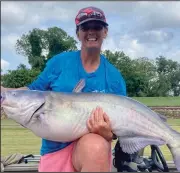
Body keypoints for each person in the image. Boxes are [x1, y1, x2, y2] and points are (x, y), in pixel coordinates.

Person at [1, 6, 127, 172]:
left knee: (96, 146)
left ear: (105, 32)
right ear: (77, 33)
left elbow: (122, 129)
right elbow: (33, 91)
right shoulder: (58, 63)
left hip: (94, 156)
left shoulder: (114, 78)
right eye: (85, 27)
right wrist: (4, 92)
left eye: (96, 27)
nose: (91, 32)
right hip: (55, 152)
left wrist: (108, 134)